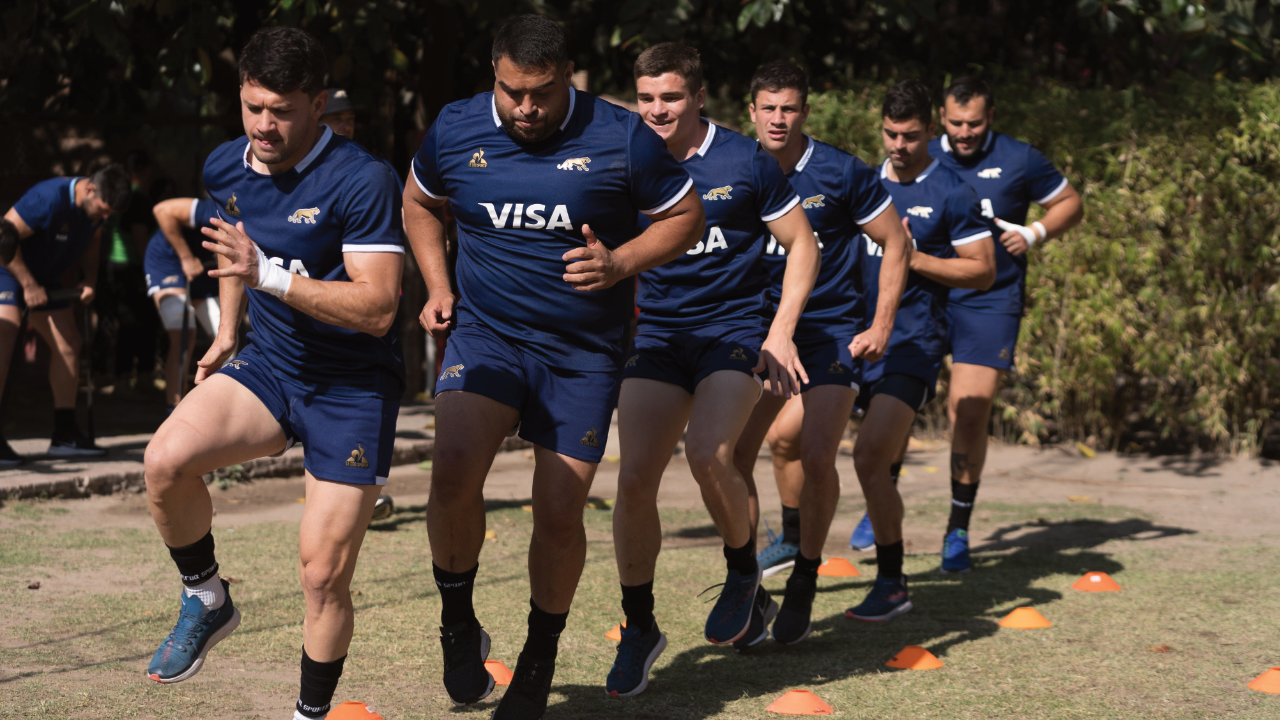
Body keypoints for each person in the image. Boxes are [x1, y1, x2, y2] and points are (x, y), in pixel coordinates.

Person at [403, 16, 703, 718]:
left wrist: (622, 261)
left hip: (582, 356)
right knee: (450, 471)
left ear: (566, 75)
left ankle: (539, 656)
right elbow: (419, 202)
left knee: (560, 512)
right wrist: (438, 284)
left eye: (539, 94)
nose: (524, 109)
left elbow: (683, 214)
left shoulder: (621, 135)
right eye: (510, 92)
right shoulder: (457, 127)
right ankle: (457, 625)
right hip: (487, 335)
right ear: (495, 75)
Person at [141, 27, 406, 720]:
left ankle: (307, 715)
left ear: (318, 104)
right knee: (165, 460)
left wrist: (272, 277)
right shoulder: (227, 166)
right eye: (254, 106)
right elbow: (236, 251)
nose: (264, 124)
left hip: (352, 389)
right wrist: (229, 328)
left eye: (282, 110)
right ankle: (207, 598)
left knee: (321, 577)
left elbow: (378, 307)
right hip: (271, 368)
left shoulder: (362, 178)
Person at [606, 43, 820, 696]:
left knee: (709, 453)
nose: (657, 110)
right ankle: (640, 626)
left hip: (731, 335)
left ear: (698, 97)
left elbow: (803, 245)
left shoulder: (744, 160)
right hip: (660, 336)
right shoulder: (624, 158)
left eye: (670, 97)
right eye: (646, 98)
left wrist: (780, 332)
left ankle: (740, 574)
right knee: (635, 476)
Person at [729, 61, 910, 643]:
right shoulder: (731, 166)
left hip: (830, 333)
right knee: (728, 457)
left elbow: (895, 240)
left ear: (805, 112)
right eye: (768, 108)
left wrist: (881, 324)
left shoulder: (839, 171)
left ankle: (805, 575)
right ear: (751, 112)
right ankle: (747, 586)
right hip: (757, 332)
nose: (778, 119)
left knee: (814, 452)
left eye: (789, 109)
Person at [845, 80, 995, 623]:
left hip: (912, 343)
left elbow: (983, 271)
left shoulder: (952, 190)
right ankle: (791, 548)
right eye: (890, 134)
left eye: (910, 135)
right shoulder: (861, 184)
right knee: (787, 440)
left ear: (931, 131)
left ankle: (892, 581)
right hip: (849, 339)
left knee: (869, 456)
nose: (899, 145)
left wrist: (912, 258)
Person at [925, 77, 1084, 573]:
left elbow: (1070, 203)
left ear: (990, 115)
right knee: (891, 397)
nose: (964, 132)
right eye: (955, 123)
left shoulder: (1020, 158)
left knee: (968, 412)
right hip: (924, 296)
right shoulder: (920, 153)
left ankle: (957, 528)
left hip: (990, 300)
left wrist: (1034, 232)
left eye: (974, 123)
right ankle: (878, 499)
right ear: (941, 119)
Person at [0, 163, 131, 462]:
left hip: (44, 280)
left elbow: (93, 242)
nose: (106, 217)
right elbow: (4, 235)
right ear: (89, 189)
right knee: (4, 336)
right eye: (104, 209)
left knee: (69, 343)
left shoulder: (95, 210)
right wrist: (28, 283)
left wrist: (90, 279)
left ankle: (65, 434)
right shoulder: (48, 198)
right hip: (8, 268)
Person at [321, 86, 399, 523]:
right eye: (336, 118)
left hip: (369, 324)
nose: (345, 126)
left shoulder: (372, 171)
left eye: (348, 117)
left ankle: (373, 490)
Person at [145, 197, 224, 411]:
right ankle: (175, 407)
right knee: (183, 334)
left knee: (224, 334)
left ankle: (223, 406)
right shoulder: (214, 205)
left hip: (204, 261)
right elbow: (162, 209)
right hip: (169, 260)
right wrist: (186, 258)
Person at [100, 150, 161, 392]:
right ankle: (128, 376)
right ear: (145, 170)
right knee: (134, 322)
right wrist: (150, 269)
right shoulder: (138, 199)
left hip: (114, 265)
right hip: (130, 266)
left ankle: (126, 374)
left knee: (126, 322)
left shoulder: (122, 196)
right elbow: (138, 236)